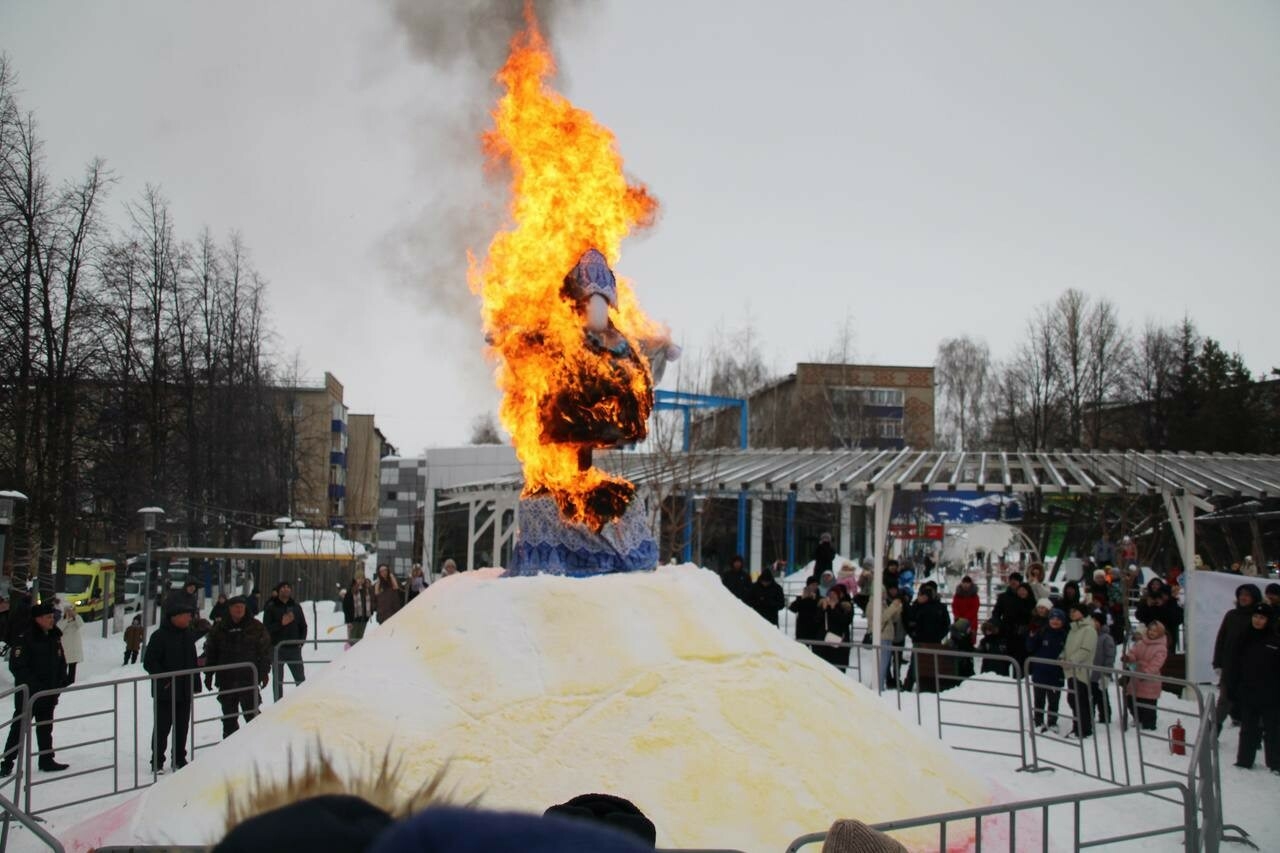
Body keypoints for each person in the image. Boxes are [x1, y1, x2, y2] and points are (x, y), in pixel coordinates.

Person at [1, 603, 70, 776]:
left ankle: (46, 759)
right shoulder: (25, 638)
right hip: (29, 695)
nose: (52, 620)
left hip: (49, 694)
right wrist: (37, 687)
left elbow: (61, 661)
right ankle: (7, 763)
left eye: (52, 617)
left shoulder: (54, 636)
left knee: (45, 727)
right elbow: (18, 667)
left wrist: (60, 682)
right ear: (38, 619)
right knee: (19, 729)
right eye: (48, 617)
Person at [144, 600, 201, 773]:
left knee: (182, 726)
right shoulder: (159, 636)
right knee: (162, 727)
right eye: (186, 615)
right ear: (175, 617)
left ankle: (179, 758)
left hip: (184, 690)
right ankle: (157, 761)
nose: (189, 618)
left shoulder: (188, 635)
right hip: (166, 691)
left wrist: (196, 683)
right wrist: (166, 679)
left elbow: (192, 661)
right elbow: (150, 662)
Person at [203, 595, 271, 738]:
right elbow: (211, 653)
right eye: (236, 607)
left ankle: (258, 742)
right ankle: (230, 746)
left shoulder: (256, 627)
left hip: (249, 679)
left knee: (252, 716)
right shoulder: (219, 628)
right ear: (229, 609)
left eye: (242, 606)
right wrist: (208, 674)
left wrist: (264, 673)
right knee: (229, 718)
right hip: (226, 679)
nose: (239, 609)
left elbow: (265, 652)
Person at [1229, 604, 1280, 771]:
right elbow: (1233, 665)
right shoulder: (1244, 637)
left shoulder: (1275, 640)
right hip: (1248, 691)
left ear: (1268, 620)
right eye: (1255, 617)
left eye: (1262, 618)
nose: (1258, 620)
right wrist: (1232, 687)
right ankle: (1244, 760)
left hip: (1271, 693)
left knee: (1273, 729)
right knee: (1248, 729)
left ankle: (1275, 763)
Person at [1212, 583, 1263, 730]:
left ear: (1254, 597)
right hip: (1230, 666)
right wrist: (1217, 662)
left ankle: (1253, 734)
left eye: (1247, 595)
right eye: (1241, 594)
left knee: (1251, 702)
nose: (1243, 597)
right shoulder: (1232, 615)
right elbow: (1221, 639)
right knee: (1224, 700)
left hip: (1251, 668)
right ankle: (1212, 733)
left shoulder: (1259, 616)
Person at [264, 581, 308, 701]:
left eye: (288, 587)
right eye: (283, 587)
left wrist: (301, 642)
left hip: (294, 649)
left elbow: (303, 626)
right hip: (277, 649)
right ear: (278, 590)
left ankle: (303, 701)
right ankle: (278, 704)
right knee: (278, 681)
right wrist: (281, 623)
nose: (286, 589)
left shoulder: (296, 607)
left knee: (300, 679)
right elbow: (266, 628)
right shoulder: (271, 607)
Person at [1122, 621, 1169, 732]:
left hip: (1150, 680)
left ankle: (1149, 726)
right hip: (1136, 677)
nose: (1152, 633)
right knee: (1131, 700)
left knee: (1148, 704)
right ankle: (1138, 718)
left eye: (1155, 631)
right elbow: (1134, 653)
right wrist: (1128, 657)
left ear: (1160, 633)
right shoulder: (1141, 643)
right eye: (1150, 630)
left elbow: (1156, 664)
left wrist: (1146, 673)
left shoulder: (1161, 648)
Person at [1027, 608, 1068, 733]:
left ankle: (1052, 722)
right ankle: (1038, 720)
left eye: (1058, 619)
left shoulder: (1066, 635)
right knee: (1039, 699)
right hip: (1040, 671)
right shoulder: (1042, 632)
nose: (1055, 621)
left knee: (1054, 700)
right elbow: (1029, 647)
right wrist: (1031, 637)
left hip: (1056, 673)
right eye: (1053, 618)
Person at [1063, 603, 1098, 738]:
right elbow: (1068, 647)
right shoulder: (1073, 629)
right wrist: (1063, 657)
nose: (1072, 613)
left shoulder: (1089, 630)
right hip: (1071, 670)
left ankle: (1082, 729)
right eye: (1071, 611)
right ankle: (1079, 726)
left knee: (1079, 700)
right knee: (1073, 699)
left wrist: (1071, 661)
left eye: (1075, 611)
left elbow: (1085, 650)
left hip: (1081, 670)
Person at [815, 586, 853, 670]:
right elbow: (817, 621)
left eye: (834, 594)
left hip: (839, 646)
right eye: (830, 594)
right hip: (823, 644)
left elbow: (844, 621)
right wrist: (823, 609)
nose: (832, 596)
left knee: (838, 670)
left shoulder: (845, 607)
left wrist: (833, 609)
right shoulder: (823, 606)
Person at [1090, 610, 1117, 724]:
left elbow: (1110, 657)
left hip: (1100, 673)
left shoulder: (1106, 638)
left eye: (1095, 621)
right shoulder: (1089, 635)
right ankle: (1090, 716)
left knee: (1102, 697)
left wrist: (1107, 674)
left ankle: (1105, 717)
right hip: (1090, 673)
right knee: (1090, 697)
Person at [789, 575, 825, 653]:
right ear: (808, 586)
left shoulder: (820, 599)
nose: (814, 587)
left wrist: (816, 600)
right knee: (802, 652)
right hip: (803, 630)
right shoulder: (801, 598)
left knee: (817, 653)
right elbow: (792, 608)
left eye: (816, 585)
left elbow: (822, 613)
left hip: (816, 630)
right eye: (812, 585)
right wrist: (802, 598)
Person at [880, 586, 906, 688]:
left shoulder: (885, 603)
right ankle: (880, 684)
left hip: (891, 635)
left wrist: (897, 609)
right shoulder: (876, 604)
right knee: (883, 663)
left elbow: (892, 618)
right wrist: (893, 607)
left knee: (887, 662)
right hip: (883, 636)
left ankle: (885, 682)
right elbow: (883, 618)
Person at [342, 574, 375, 641]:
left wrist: (370, 612)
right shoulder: (350, 591)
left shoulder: (366, 590)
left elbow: (371, 601)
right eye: (358, 578)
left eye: (362, 578)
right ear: (355, 579)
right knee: (352, 639)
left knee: (359, 639)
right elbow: (345, 607)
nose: (360, 580)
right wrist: (348, 621)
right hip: (353, 620)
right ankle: (350, 647)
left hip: (364, 619)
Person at [950, 576, 980, 642]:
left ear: (970, 584)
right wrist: (958, 617)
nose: (966, 585)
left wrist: (964, 619)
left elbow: (974, 609)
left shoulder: (975, 596)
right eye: (964, 583)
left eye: (967, 583)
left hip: (971, 622)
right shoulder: (957, 595)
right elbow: (954, 606)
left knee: (969, 641)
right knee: (957, 641)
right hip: (959, 621)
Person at [59, 606, 84, 684]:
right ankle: (63, 683)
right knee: (62, 669)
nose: (69, 613)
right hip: (65, 649)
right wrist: (66, 619)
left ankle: (71, 683)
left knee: (72, 670)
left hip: (73, 651)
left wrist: (75, 615)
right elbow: (59, 629)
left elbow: (81, 624)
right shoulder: (62, 621)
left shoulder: (76, 621)